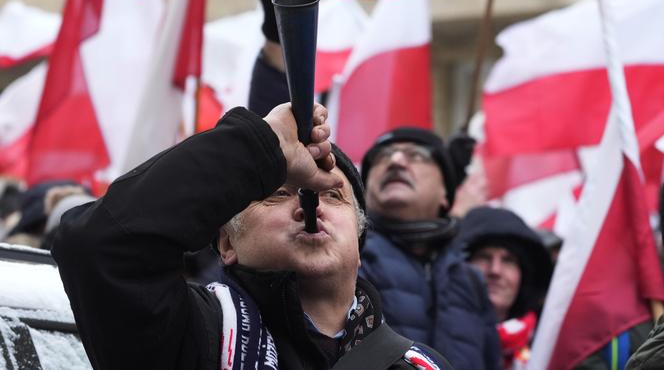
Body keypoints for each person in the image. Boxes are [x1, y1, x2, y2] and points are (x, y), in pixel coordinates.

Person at [52, 103, 453, 369]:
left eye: (333, 195)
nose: (308, 206)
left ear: (360, 244)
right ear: (227, 244)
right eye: (277, 194)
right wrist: (262, 147)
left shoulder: (419, 365)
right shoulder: (190, 333)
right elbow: (100, 244)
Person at [358, 127, 501, 370]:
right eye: (383, 156)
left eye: (417, 155)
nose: (395, 161)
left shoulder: (470, 280)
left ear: (446, 194)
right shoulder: (350, 255)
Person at [459, 206, 553, 369]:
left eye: (508, 260)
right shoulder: (435, 335)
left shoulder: (549, 346)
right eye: (484, 257)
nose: (495, 270)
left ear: (523, 277)